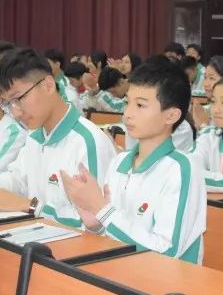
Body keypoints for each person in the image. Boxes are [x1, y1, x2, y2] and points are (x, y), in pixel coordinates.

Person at [62, 58, 206, 262]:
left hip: (166, 286)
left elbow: (167, 251)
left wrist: (102, 210)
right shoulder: (119, 162)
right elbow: (114, 232)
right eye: (128, 102)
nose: (128, 114)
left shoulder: (182, 169)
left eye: (140, 105)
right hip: (123, 272)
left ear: (171, 115)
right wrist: (95, 224)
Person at [0, 48, 116, 228]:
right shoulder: (35, 135)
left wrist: (31, 206)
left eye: (19, 99)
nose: (15, 112)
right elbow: (18, 179)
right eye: (8, 104)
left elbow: (98, 221)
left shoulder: (87, 142)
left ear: (48, 85)